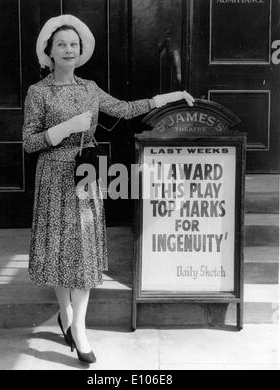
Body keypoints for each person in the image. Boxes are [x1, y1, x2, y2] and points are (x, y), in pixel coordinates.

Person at [22, 14, 194, 364]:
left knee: (81, 254)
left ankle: (79, 328)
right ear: (50, 52)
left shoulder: (90, 88)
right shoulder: (37, 92)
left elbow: (126, 109)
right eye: (61, 45)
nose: (68, 49)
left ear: (80, 51)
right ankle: (65, 314)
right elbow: (28, 142)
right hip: (53, 176)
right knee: (59, 250)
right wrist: (69, 125)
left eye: (74, 44)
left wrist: (169, 97)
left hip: (84, 175)